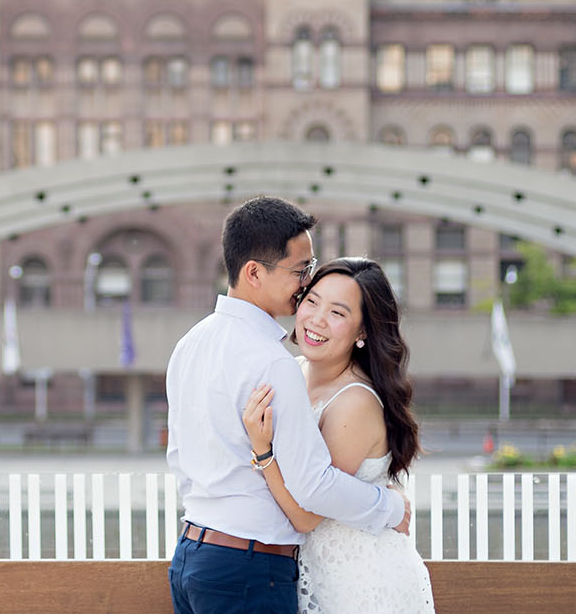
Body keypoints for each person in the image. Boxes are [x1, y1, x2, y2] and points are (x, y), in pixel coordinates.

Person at [167, 198, 409, 614]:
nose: (305, 283)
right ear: (254, 273)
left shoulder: (191, 343)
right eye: (301, 272)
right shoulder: (272, 362)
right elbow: (313, 487)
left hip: (193, 554)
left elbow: (179, 460)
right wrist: (389, 506)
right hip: (248, 565)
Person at [243, 257, 435, 614]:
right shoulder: (293, 371)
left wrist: (263, 452)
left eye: (338, 313)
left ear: (363, 332)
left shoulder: (354, 403)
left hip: (359, 583)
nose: (316, 320)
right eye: (312, 301)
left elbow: (306, 514)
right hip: (308, 574)